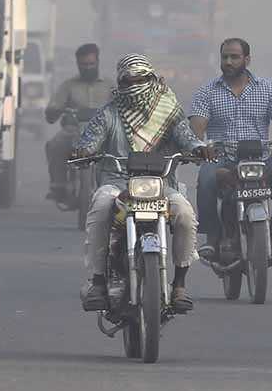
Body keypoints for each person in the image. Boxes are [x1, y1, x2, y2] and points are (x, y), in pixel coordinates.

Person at [73, 54, 210, 313]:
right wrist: (83, 151)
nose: (135, 86)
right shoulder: (109, 114)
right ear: (120, 82)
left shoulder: (169, 112)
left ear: (152, 79)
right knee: (102, 206)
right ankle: (98, 282)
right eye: (129, 80)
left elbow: (187, 136)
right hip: (117, 183)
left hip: (160, 184)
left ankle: (179, 284)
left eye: (141, 79)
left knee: (184, 213)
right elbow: (89, 141)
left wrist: (198, 149)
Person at [190, 38, 272, 264]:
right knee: (205, 180)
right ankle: (212, 238)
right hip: (221, 158)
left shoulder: (267, 88)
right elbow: (198, 125)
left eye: (234, 57)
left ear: (247, 59)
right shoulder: (207, 91)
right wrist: (196, 145)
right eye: (225, 57)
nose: (228, 61)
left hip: (260, 158)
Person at [43, 43, 108, 204]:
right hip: (73, 131)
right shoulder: (68, 86)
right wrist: (54, 110)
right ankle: (58, 185)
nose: (87, 68)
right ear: (78, 64)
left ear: (98, 62)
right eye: (83, 65)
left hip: (104, 133)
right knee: (54, 145)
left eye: (91, 64)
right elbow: (54, 106)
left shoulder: (110, 86)